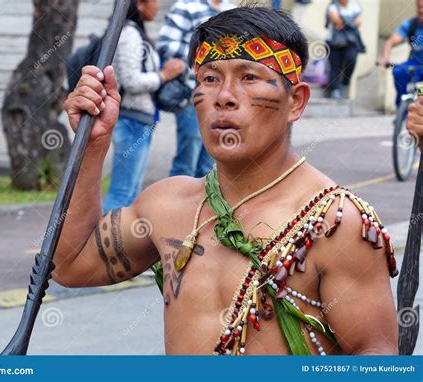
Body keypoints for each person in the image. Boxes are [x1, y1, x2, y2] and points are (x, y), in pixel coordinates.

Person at [59, 7, 402, 355]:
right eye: (209, 79)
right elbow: (70, 267)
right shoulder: (166, 205)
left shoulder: (335, 223)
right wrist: (92, 147)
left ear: (295, 101)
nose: (224, 96)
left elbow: (376, 359)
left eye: (249, 77)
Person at [97, 0, 184, 213]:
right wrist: (164, 75)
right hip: (131, 120)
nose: (158, 5)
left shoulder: (134, 31)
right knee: (123, 193)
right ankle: (102, 244)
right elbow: (130, 81)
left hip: (140, 120)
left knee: (131, 192)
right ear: (140, 4)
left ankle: (117, 244)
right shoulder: (129, 34)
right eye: (155, 0)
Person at [156, 0, 235, 178]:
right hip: (193, 94)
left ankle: (203, 205)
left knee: (211, 165)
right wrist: (209, 55)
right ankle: (175, 205)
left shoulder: (231, 11)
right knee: (186, 164)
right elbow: (166, 44)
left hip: (223, 97)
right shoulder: (186, 6)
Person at [380, 0, 423, 108]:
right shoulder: (411, 25)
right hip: (415, 63)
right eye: (419, 7)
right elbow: (390, 42)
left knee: (421, 92)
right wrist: (385, 58)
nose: (421, 10)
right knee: (399, 71)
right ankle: (402, 105)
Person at [326, 0, 363, 99]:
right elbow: (336, 21)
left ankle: (344, 83)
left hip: (350, 42)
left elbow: (358, 22)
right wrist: (351, 22)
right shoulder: (333, 6)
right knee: (335, 66)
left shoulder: (354, 5)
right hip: (333, 43)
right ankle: (335, 90)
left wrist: (343, 21)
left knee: (352, 59)